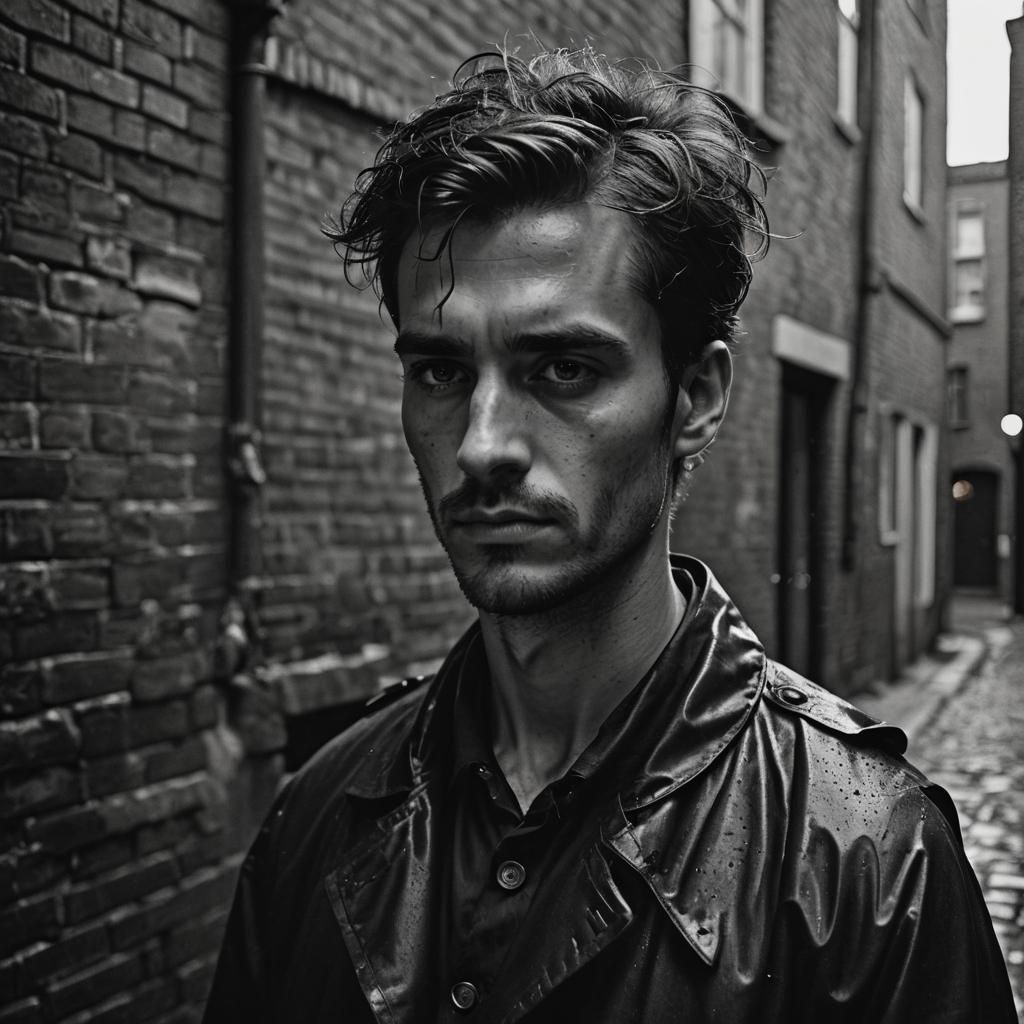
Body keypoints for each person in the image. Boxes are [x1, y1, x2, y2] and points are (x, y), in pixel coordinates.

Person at [204, 48, 1015, 1022]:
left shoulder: (870, 870)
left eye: (562, 370)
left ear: (697, 396)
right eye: (440, 372)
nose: (483, 444)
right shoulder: (316, 818)